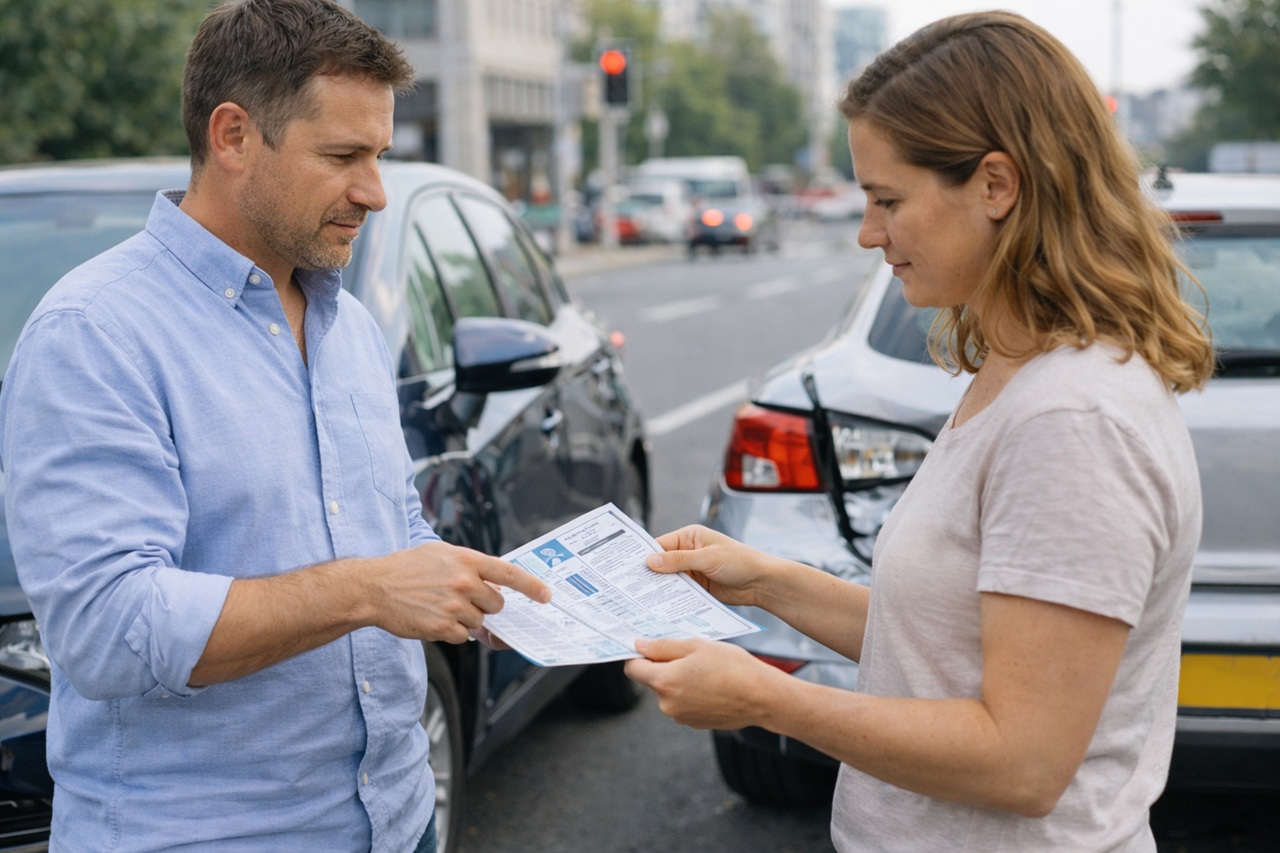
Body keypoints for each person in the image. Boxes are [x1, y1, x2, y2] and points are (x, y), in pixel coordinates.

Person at [625, 11, 1215, 852]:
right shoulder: (1016, 372)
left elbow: (1023, 762)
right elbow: (943, 643)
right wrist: (762, 581)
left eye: (889, 200)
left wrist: (766, 698)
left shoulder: (1073, 419)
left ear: (996, 186)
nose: (869, 233)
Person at [0, 1, 550, 850]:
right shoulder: (95, 332)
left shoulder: (348, 323)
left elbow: (394, 531)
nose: (373, 191)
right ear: (232, 137)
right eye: (343, 156)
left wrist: (477, 588)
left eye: (380, 156)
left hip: (397, 820)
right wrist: (367, 589)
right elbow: (107, 627)